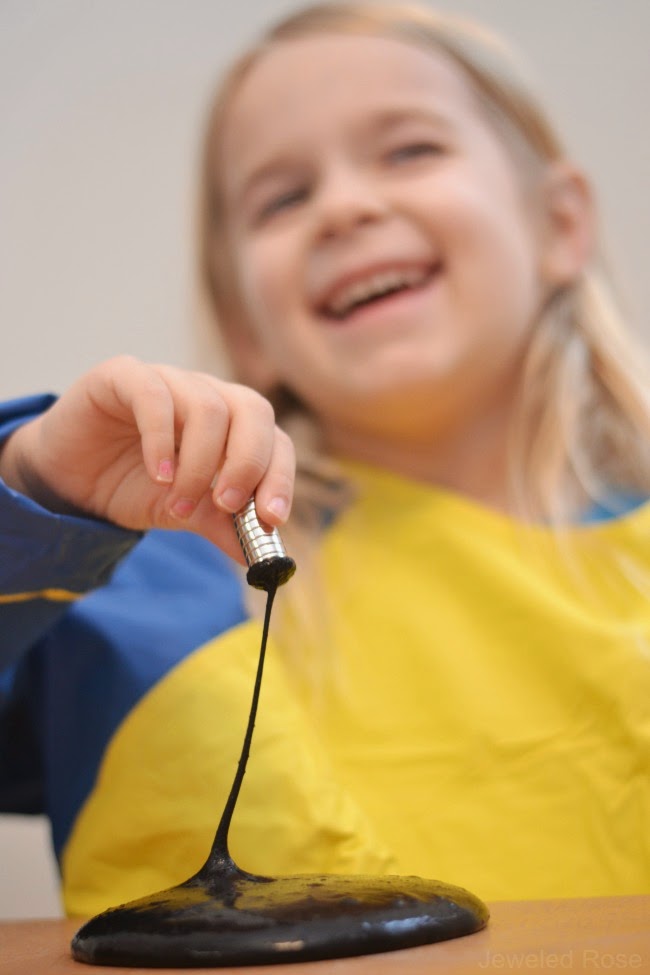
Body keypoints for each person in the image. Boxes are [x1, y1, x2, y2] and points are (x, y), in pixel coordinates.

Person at [1, 1, 649, 918]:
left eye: (410, 150)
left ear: (560, 224)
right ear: (241, 323)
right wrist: (36, 493)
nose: (346, 207)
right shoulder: (140, 577)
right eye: (283, 197)